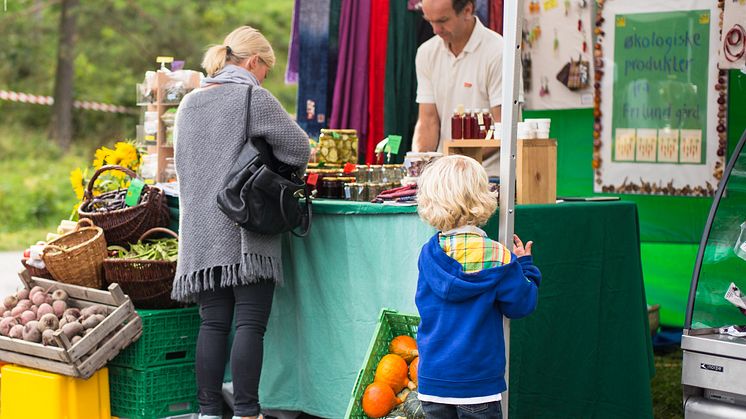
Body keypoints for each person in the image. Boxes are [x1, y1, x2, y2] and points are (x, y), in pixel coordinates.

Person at [171, 26, 310, 419]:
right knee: (250, 323)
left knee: (213, 324)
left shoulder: (189, 103)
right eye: (265, 68)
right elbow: (300, 148)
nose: (264, 76)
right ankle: (248, 412)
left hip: (200, 231)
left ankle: (209, 412)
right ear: (253, 62)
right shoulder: (252, 96)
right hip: (245, 228)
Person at [415, 155, 541, 418]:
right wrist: (526, 267)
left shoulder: (429, 254)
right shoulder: (498, 256)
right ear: (482, 197)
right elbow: (522, 304)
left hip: (432, 379)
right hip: (478, 383)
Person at [413, 0, 518, 177]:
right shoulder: (426, 52)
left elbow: (505, 127)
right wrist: (419, 165)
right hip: (446, 175)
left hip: (491, 176)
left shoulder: (499, 52)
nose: (435, 30)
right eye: (429, 21)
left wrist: (454, 164)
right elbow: (427, 121)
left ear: (468, 10)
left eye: (442, 20)